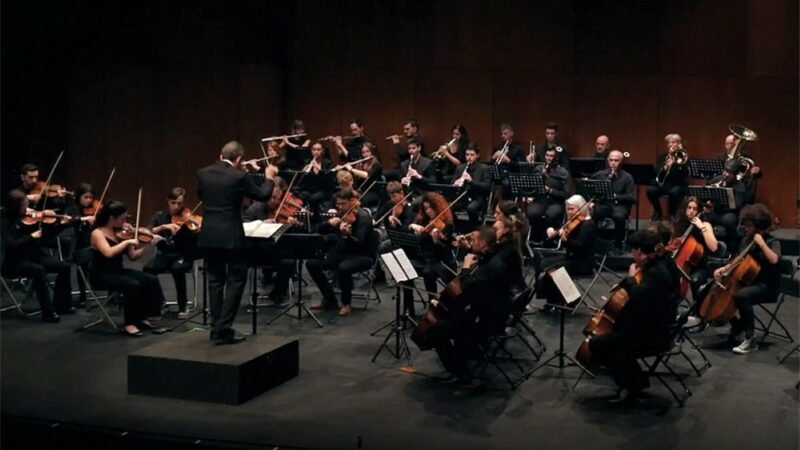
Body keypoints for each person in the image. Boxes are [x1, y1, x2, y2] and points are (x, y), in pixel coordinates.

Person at [197, 140, 278, 345]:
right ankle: (224, 328)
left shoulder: (203, 173)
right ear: (239, 158)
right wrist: (269, 177)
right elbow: (262, 195)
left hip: (209, 234)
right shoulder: (239, 176)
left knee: (215, 280)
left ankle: (216, 328)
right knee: (236, 278)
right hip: (231, 235)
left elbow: (202, 195)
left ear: (221, 155)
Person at [588, 229, 681, 402]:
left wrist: (631, 278)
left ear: (638, 251)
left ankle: (632, 385)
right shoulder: (664, 262)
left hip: (655, 335)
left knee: (598, 343)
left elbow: (639, 297)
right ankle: (635, 381)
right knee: (613, 334)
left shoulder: (656, 273)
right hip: (660, 325)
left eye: (633, 250)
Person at [430, 226, 514, 386]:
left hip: (487, 320)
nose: (471, 242)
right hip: (492, 312)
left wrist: (465, 269)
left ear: (483, 243)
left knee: (436, 330)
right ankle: (467, 355)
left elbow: (466, 286)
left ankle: (460, 373)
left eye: (474, 240)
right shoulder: (493, 257)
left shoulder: (491, 267)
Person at [90, 200, 167, 336]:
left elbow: (133, 257)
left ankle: (143, 316)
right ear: (111, 218)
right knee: (132, 284)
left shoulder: (122, 233)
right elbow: (108, 253)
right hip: (101, 275)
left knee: (150, 279)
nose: (125, 222)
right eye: (122, 219)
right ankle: (130, 323)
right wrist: (127, 242)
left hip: (118, 271)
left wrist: (149, 245)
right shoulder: (98, 233)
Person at [714, 204, 781, 354]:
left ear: (758, 226)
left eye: (749, 226)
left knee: (741, 296)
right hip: (749, 282)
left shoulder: (772, 241)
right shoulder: (746, 240)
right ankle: (737, 325)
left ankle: (750, 339)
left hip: (767, 286)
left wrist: (762, 244)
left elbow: (774, 260)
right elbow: (738, 259)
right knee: (723, 293)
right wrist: (725, 268)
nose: (746, 228)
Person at [0, 190, 74, 322]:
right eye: (23, 205)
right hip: (14, 261)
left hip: (35, 255)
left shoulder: (30, 218)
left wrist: (60, 225)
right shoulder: (4, 222)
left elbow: (46, 239)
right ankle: (48, 313)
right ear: (14, 207)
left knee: (64, 267)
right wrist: (30, 237)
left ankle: (62, 305)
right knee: (38, 270)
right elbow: (11, 245)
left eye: (27, 204)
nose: (27, 208)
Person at [308, 188, 376, 316]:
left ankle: (346, 303)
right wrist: (328, 223)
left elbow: (360, 243)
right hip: (342, 252)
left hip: (362, 255)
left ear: (352, 201)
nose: (340, 207)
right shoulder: (340, 214)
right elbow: (318, 230)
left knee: (343, 268)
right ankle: (330, 299)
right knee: (312, 264)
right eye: (338, 204)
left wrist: (347, 235)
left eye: (343, 204)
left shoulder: (363, 218)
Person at [142, 187, 197, 318]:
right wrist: (163, 227)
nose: (176, 206)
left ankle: (183, 305)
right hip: (165, 255)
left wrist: (189, 228)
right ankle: (160, 303)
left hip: (183, 255)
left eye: (179, 203)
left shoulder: (187, 217)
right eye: (173, 203)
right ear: (168, 201)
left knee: (177, 268)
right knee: (148, 269)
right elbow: (146, 232)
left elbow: (196, 237)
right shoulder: (160, 216)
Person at [535, 195, 597, 310]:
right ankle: (549, 301)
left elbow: (579, 246)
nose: (569, 212)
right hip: (571, 258)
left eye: (572, 209)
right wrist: (552, 234)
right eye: (568, 209)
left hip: (583, 262)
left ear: (581, 207)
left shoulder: (588, 224)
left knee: (553, 269)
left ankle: (570, 299)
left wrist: (566, 239)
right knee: (543, 263)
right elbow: (560, 238)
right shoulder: (573, 222)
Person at [242, 178, 296, 307]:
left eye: (276, 198)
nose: (272, 201)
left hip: (277, 250)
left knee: (290, 262)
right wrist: (261, 224)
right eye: (270, 197)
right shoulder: (255, 208)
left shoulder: (285, 209)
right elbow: (243, 224)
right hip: (257, 251)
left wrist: (291, 225)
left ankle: (277, 293)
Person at [591, 150, 636, 251]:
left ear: (621, 161)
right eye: (611, 160)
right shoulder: (600, 175)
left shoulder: (627, 177)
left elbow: (631, 197)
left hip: (619, 205)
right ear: (608, 161)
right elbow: (591, 189)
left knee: (619, 216)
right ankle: (594, 241)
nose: (613, 163)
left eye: (616, 160)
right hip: (603, 205)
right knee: (591, 213)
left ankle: (618, 244)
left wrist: (615, 196)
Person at [706, 159, 752, 252]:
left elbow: (737, 206)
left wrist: (723, 195)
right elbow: (706, 190)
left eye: (729, 173)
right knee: (704, 216)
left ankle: (731, 248)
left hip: (728, 214)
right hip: (715, 212)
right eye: (725, 171)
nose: (726, 174)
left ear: (735, 175)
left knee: (730, 220)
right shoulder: (717, 180)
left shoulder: (740, 187)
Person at [526, 147, 571, 242]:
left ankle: (549, 240)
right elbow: (531, 186)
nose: (549, 158)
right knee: (532, 213)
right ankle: (536, 238)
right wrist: (530, 195)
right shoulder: (539, 169)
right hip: (540, 200)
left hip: (556, 202)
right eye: (547, 155)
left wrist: (550, 190)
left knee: (551, 214)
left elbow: (566, 194)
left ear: (556, 158)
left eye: (551, 156)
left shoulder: (563, 172)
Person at [65, 183, 98, 306]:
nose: (89, 200)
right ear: (79, 196)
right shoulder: (72, 209)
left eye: (91, 197)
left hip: (94, 241)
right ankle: (82, 294)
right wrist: (83, 219)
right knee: (82, 266)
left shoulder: (95, 209)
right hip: (79, 243)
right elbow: (67, 220)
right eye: (86, 197)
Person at [647, 133, 688, 221]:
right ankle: (658, 211)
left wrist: (676, 165)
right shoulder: (663, 157)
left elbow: (684, 174)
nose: (670, 145)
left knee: (674, 192)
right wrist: (666, 167)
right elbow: (658, 175)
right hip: (665, 184)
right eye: (668, 143)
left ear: (679, 144)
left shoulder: (683, 156)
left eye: (673, 142)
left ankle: (672, 213)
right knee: (650, 190)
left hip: (678, 185)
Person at [453, 143, 491, 228]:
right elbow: (452, 183)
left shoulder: (484, 168)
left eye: (472, 155)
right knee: (451, 207)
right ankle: (459, 228)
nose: (469, 157)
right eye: (467, 155)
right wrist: (456, 183)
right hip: (463, 197)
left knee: (471, 208)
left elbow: (487, 187)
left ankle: (474, 228)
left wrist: (471, 181)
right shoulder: (460, 168)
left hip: (478, 198)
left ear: (477, 155)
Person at [298, 142, 335, 215]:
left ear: (322, 151)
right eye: (314, 149)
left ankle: (315, 216)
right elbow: (302, 180)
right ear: (311, 151)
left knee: (313, 198)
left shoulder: (328, 163)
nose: (316, 152)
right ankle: (304, 215)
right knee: (301, 195)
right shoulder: (307, 161)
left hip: (324, 189)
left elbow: (329, 180)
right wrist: (303, 172)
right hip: (310, 189)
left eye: (318, 150)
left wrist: (319, 170)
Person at [343, 142, 382, 210]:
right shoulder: (361, 163)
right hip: (362, 191)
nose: (365, 154)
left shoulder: (377, 165)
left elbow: (367, 175)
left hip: (373, 192)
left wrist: (351, 169)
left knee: (358, 200)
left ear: (372, 152)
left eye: (368, 151)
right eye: (363, 152)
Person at [400, 138, 436, 208]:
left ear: (419, 148)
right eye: (409, 149)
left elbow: (433, 183)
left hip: (422, 193)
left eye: (413, 148)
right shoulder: (404, 164)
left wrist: (418, 176)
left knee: (412, 205)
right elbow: (400, 178)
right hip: (408, 193)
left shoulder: (428, 163)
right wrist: (403, 179)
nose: (411, 151)